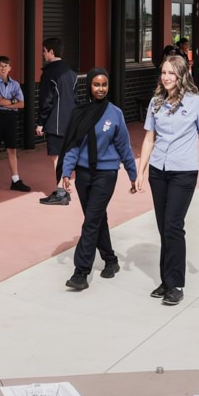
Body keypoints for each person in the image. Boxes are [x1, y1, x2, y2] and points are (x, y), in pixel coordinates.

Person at [136, 54, 199, 306]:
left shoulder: (196, 103)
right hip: (158, 172)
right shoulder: (156, 102)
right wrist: (140, 172)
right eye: (163, 72)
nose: (166, 77)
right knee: (163, 226)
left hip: (183, 172)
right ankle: (166, 280)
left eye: (171, 73)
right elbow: (149, 138)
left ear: (182, 75)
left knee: (173, 224)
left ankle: (176, 284)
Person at [58, 69, 137, 291]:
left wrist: (133, 174)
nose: (100, 88)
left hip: (106, 173)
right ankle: (110, 260)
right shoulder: (80, 113)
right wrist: (66, 171)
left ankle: (81, 272)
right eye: (96, 84)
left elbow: (124, 146)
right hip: (83, 173)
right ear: (89, 87)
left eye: (104, 84)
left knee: (91, 221)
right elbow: (73, 145)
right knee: (97, 217)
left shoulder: (115, 114)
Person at [36, 37, 78, 205]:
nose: (43, 54)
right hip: (70, 121)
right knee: (66, 156)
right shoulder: (71, 71)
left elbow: (46, 101)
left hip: (56, 122)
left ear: (51, 51)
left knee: (56, 157)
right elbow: (75, 98)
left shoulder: (49, 73)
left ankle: (61, 192)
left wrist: (40, 122)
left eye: (44, 51)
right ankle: (64, 189)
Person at [0, 55, 30, 192]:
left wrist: (8, 103)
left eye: (6, 66)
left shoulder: (15, 84)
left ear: (10, 68)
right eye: (0, 66)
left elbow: (22, 104)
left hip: (11, 118)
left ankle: (15, 180)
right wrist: (12, 102)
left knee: (12, 149)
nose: (3, 68)